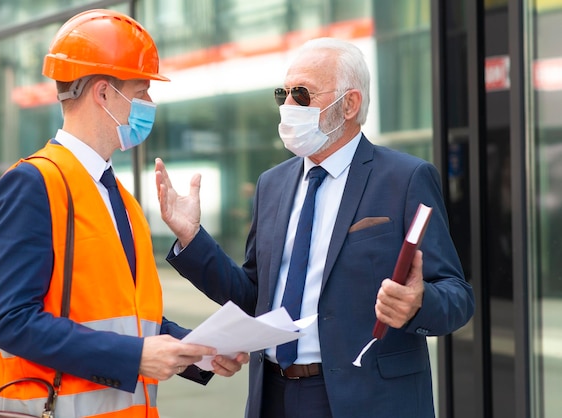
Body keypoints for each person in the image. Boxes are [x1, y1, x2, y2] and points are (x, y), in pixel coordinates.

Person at [155, 37, 475, 418]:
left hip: (367, 399)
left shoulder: (405, 178)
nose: (288, 107)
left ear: (350, 104)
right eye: (283, 94)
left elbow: (458, 296)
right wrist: (192, 237)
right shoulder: (271, 184)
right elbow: (253, 296)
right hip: (273, 395)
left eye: (302, 95)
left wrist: (419, 303)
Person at [0, 9, 247, 418]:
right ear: (103, 94)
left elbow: (126, 319)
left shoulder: (119, 195)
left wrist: (197, 350)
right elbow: (11, 320)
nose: (150, 104)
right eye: (141, 92)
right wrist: (135, 356)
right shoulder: (33, 184)